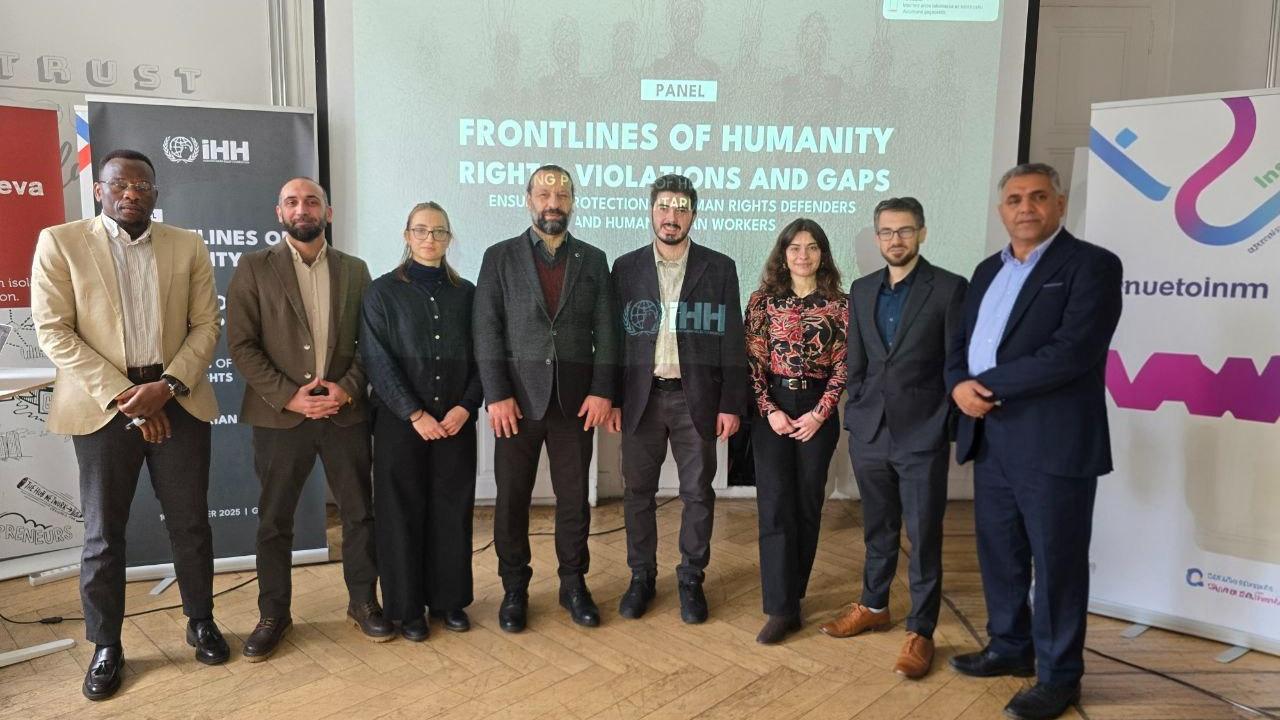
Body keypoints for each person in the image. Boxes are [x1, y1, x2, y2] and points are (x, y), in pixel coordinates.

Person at [30, 149, 227, 700]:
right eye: (119, 184)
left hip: (176, 399)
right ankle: (106, 645)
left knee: (191, 523)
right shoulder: (61, 242)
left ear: (155, 193)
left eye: (142, 185)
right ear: (100, 190)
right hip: (102, 408)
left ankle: (201, 620)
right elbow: (53, 330)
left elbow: (206, 325)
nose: (131, 193)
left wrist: (166, 388)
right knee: (102, 536)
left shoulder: (187, 244)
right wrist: (127, 397)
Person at [946, 163, 1122, 720]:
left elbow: (1072, 352)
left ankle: (1059, 677)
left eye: (1038, 197)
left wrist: (985, 387)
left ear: (1060, 204)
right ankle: (1010, 646)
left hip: (1053, 444)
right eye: (1015, 199)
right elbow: (960, 343)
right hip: (991, 438)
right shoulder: (986, 270)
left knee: (1057, 563)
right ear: (1002, 210)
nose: (1026, 207)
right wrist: (957, 385)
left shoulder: (1091, 265)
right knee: (1000, 552)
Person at [226, 177, 391, 660]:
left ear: (328, 213)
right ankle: (273, 614)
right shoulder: (254, 267)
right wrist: (289, 397)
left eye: (312, 201)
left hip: (344, 413)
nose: (303, 209)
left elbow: (370, 342)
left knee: (359, 514)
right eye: (293, 202)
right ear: (280, 213)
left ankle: (363, 602)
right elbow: (241, 344)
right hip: (281, 417)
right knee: (275, 521)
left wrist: (348, 388)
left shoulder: (355, 269)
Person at [818, 197, 967, 680]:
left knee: (923, 536)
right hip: (871, 431)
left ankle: (921, 630)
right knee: (877, 529)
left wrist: (941, 422)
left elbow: (956, 363)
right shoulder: (862, 290)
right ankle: (874, 605)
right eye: (886, 231)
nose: (895, 239)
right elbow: (857, 361)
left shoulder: (949, 288)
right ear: (877, 236)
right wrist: (859, 409)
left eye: (904, 230)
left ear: (921, 233)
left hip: (922, 433)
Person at [473, 164, 618, 632]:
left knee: (574, 500)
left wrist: (602, 390)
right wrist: (497, 394)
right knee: (512, 500)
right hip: (515, 404)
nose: (552, 203)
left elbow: (607, 332)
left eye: (562, 195)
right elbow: (486, 329)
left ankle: (573, 583)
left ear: (572, 202)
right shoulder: (499, 257)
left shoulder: (593, 259)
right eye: (543, 194)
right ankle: (514, 587)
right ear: (528, 200)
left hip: (575, 404)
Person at [607, 174, 746, 623]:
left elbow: (732, 339)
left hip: (695, 398)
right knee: (637, 493)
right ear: (651, 211)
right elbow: (613, 340)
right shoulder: (625, 268)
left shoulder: (719, 268)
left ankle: (691, 578)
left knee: (698, 493)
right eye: (664, 207)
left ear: (693, 215)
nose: (672, 217)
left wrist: (731, 403)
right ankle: (641, 576)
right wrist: (611, 397)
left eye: (682, 209)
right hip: (640, 398)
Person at [359, 202, 482, 640]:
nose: (430, 238)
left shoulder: (468, 294)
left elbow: (484, 356)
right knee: (400, 514)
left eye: (439, 231)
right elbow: (376, 360)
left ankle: (449, 602)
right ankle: (407, 609)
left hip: (455, 421)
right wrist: (414, 412)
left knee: (452, 511)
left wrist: (466, 406)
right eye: (421, 230)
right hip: (400, 423)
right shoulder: (380, 293)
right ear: (406, 235)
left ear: (449, 238)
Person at [745, 218, 848, 644]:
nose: (803, 255)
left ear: (822, 254)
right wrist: (769, 409)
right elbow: (752, 362)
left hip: (817, 411)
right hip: (772, 410)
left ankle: (795, 597)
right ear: (783, 254)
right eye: (794, 248)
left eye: (811, 247)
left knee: (807, 506)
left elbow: (844, 364)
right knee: (774, 507)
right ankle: (779, 609)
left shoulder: (840, 305)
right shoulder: (762, 302)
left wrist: (820, 413)